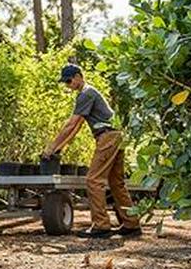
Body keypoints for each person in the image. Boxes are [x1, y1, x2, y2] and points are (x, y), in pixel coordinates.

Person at [42, 64, 141, 238]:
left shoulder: (86, 93)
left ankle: (101, 226)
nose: (68, 84)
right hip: (116, 135)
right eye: (65, 82)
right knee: (116, 183)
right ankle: (131, 224)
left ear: (79, 76)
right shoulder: (88, 94)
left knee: (93, 180)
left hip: (107, 137)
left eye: (69, 80)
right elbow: (77, 126)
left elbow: (71, 124)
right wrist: (60, 147)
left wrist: (51, 148)